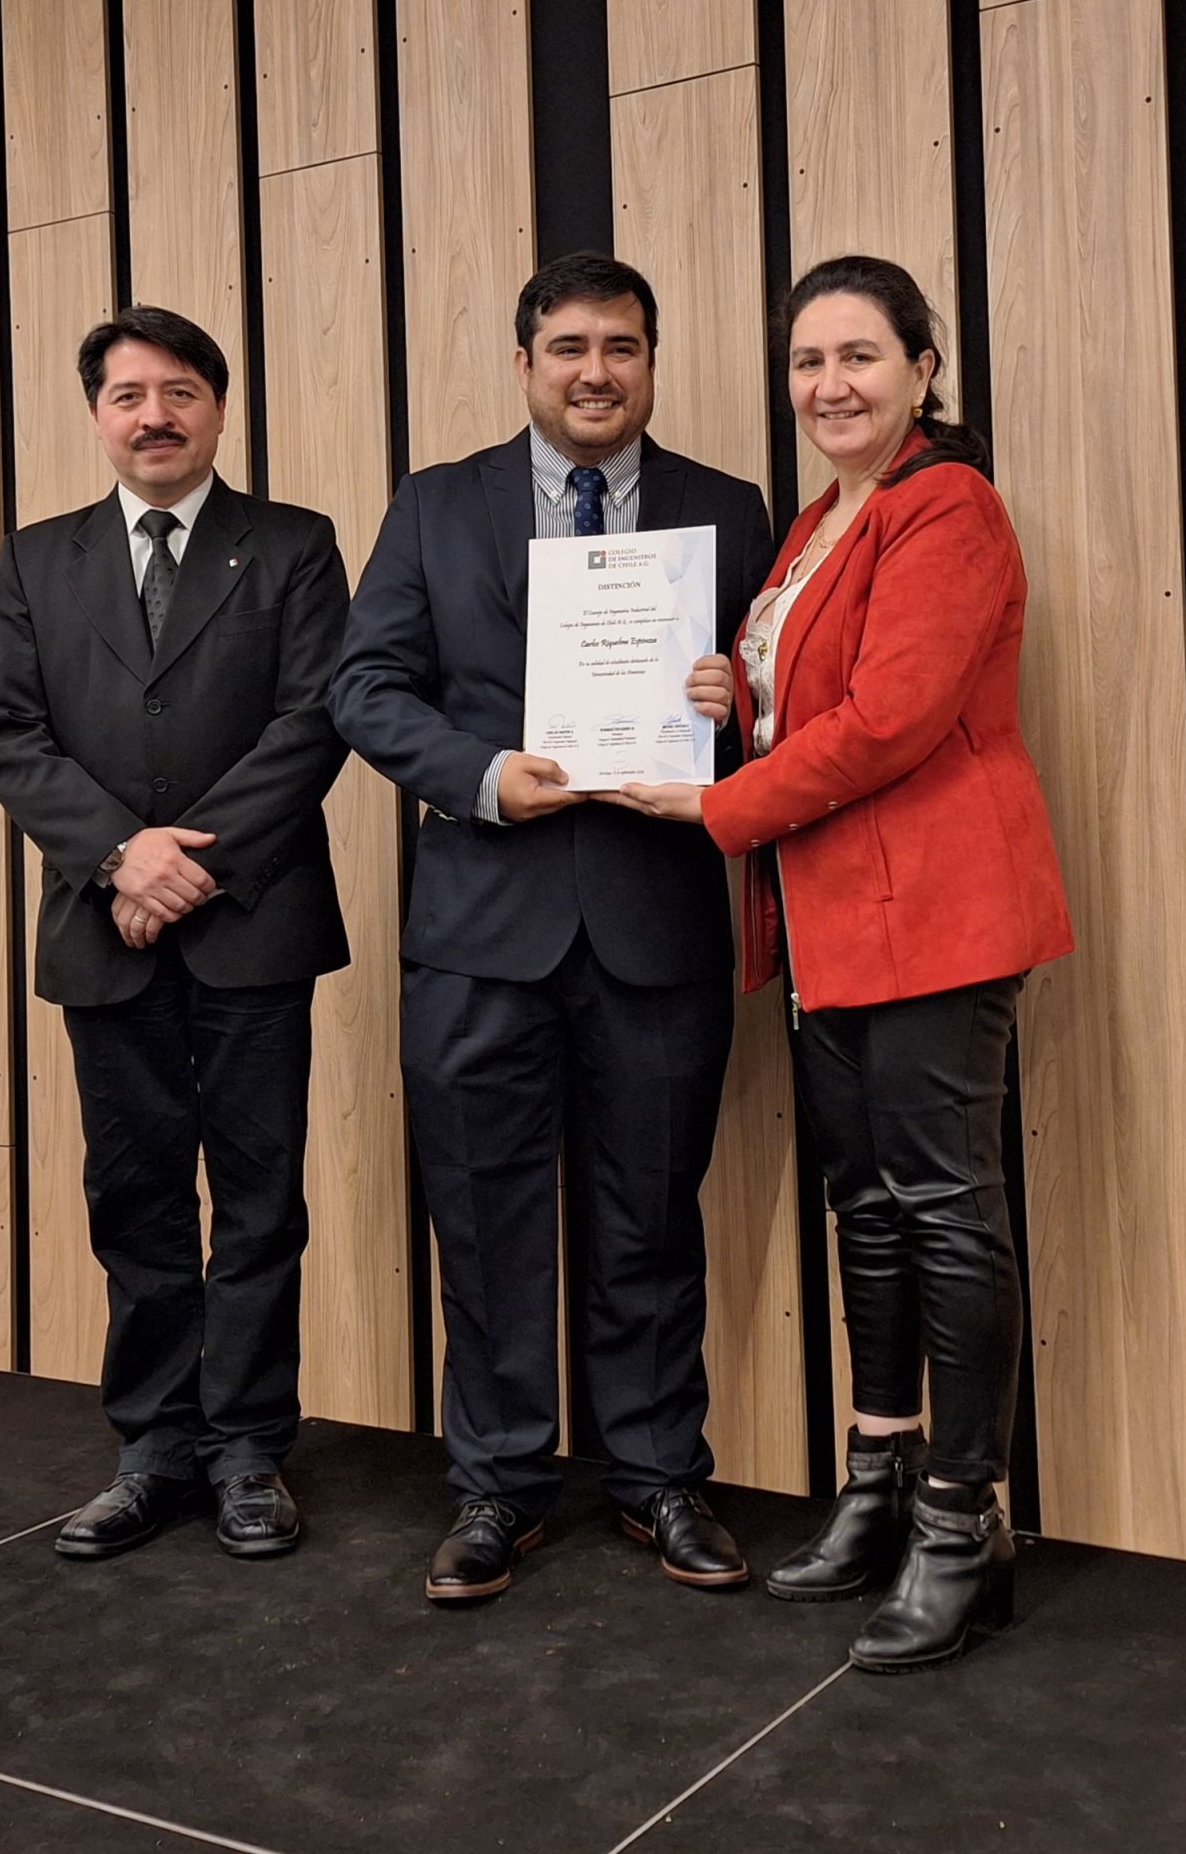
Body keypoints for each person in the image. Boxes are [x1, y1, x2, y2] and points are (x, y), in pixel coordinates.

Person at [610, 254, 1073, 1672]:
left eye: (860, 356)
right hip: (830, 920)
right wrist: (724, 695)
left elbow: (893, 719)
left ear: (924, 369)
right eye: (808, 363)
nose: (830, 385)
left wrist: (717, 803)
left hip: (935, 910)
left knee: (945, 1211)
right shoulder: (817, 522)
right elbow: (804, 694)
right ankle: (875, 1480)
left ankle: (959, 1521)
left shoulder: (947, 508)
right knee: (866, 1208)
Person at [330, 252, 776, 1603]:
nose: (596, 372)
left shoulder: (728, 510)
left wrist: (734, 699)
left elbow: (790, 696)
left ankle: (655, 1475)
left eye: (623, 348)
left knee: (649, 1217)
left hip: (654, 929)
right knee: (485, 1218)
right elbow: (365, 686)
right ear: (526, 363)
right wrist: (482, 775)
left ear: (652, 360)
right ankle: (500, 1484)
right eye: (570, 347)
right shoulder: (436, 505)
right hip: (480, 931)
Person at [0, 306, 353, 1565]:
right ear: (97, 416)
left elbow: (313, 722)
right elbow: (8, 732)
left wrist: (186, 866)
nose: (155, 416)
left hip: (250, 924)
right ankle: (150, 1447)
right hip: (104, 926)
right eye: (128, 395)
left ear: (219, 410)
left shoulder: (292, 546)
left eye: (180, 392)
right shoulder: (38, 561)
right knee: (131, 1197)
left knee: (256, 1200)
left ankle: (246, 1449)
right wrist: (118, 856)